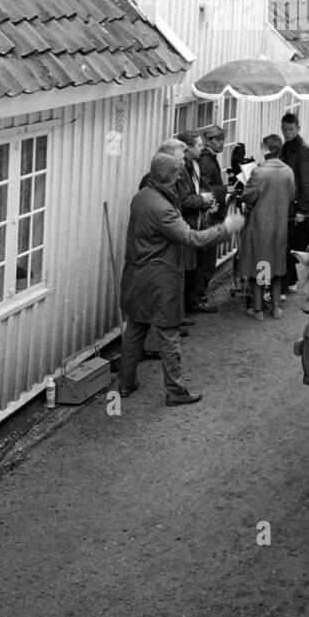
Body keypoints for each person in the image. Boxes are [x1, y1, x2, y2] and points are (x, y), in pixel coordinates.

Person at [118, 152, 244, 405]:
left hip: (136, 275)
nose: (181, 178)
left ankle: (125, 384)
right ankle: (175, 391)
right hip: (159, 278)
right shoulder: (162, 207)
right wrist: (226, 228)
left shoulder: (142, 197)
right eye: (178, 173)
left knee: (135, 329)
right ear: (169, 177)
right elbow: (191, 239)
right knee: (169, 332)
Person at [236, 135, 295, 319]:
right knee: (276, 264)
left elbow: (248, 196)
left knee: (262, 264)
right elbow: (292, 194)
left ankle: (258, 307)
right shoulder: (288, 171)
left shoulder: (260, 172)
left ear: (265, 149)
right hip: (280, 224)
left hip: (261, 224)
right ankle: (276, 306)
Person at [176, 129, 218, 312]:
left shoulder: (195, 165)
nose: (203, 148)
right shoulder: (183, 169)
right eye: (199, 145)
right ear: (187, 148)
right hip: (189, 225)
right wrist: (203, 200)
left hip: (197, 221)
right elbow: (184, 199)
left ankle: (191, 302)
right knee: (189, 268)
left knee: (195, 266)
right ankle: (188, 304)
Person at [194, 123, 230, 307]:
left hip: (209, 215)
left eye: (223, 139)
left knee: (206, 259)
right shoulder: (207, 161)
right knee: (206, 261)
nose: (223, 143)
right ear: (208, 141)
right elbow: (205, 189)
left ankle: (199, 296)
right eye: (219, 140)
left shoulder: (208, 159)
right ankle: (198, 298)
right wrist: (225, 189)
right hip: (209, 217)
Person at [279, 112, 309, 288]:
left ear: (298, 128)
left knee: (292, 243)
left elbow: (307, 181)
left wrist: (302, 209)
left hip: (296, 205)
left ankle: (287, 281)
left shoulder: (302, 149)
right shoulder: (286, 147)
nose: (287, 132)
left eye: (291, 129)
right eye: (284, 129)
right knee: (288, 241)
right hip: (289, 203)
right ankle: (290, 279)